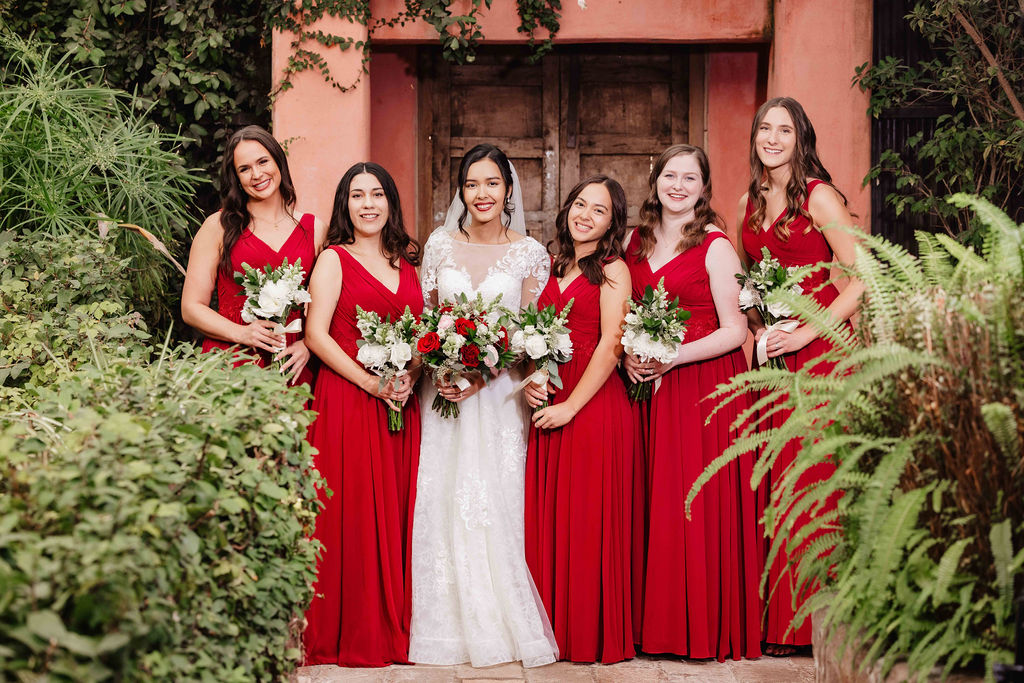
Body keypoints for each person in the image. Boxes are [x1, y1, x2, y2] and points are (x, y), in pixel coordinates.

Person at [409, 143, 559, 668]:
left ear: (508, 189)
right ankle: (441, 625)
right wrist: (440, 367)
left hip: (498, 398)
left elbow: (534, 334)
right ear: (461, 191)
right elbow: (425, 321)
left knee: (494, 500)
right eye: (472, 184)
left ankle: (497, 621)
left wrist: (485, 371)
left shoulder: (529, 253)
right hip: (443, 394)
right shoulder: (439, 245)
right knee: (442, 497)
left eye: (492, 183)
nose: (481, 193)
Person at [624, 144, 762, 660]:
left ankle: (698, 628)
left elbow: (735, 331)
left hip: (704, 388)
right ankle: (655, 624)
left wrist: (671, 357)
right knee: (654, 503)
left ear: (703, 188)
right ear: (655, 180)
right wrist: (629, 356)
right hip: (647, 388)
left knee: (694, 506)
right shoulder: (633, 242)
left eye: (689, 178)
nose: (677, 186)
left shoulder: (716, 246)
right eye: (669, 175)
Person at [737, 97, 862, 655]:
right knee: (774, 481)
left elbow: (862, 277)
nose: (772, 138)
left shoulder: (818, 196)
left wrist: (809, 332)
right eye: (765, 128)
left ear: (800, 138)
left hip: (818, 352)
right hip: (773, 355)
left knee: (812, 480)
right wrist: (760, 329)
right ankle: (774, 622)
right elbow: (751, 285)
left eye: (783, 130)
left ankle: (813, 625)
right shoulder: (747, 201)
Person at [302, 162, 423, 666]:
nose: (368, 204)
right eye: (357, 195)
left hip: (400, 405)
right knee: (350, 514)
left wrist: (410, 373)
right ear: (344, 205)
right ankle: (350, 630)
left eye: (377, 194)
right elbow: (316, 335)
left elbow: (420, 336)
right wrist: (371, 383)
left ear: (391, 202)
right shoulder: (333, 260)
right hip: (348, 402)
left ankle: (390, 623)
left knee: (393, 514)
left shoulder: (408, 265)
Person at [523, 175, 634, 664]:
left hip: (593, 406)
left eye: (599, 210)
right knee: (551, 519)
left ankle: (586, 633)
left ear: (612, 223)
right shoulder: (550, 265)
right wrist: (532, 377)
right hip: (549, 399)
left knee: (587, 521)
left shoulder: (613, 270)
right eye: (580, 204)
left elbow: (612, 344)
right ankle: (550, 631)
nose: (585, 215)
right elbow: (530, 334)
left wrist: (571, 406)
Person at [181, 125, 325, 385]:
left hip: (293, 362)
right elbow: (191, 308)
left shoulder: (314, 229)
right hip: (232, 359)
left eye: (262, 162)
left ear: (278, 161)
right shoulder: (217, 227)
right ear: (236, 178)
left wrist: (308, 345)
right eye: (244, 169)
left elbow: (331, 308)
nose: (257, 174)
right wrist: (241, 333)